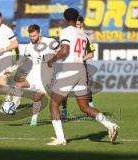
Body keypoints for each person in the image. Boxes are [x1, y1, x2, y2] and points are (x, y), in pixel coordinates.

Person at [46, 8, 119, 146]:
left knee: (54, 103)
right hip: (81, 70)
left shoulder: (66, 31)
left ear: (65, 19)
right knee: (85, 107)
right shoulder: (83, 34)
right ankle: (110, 125)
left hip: (70, 69)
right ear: (76, 18)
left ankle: (61, 139)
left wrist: (53, 59)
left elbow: (65, 50)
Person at [6, 24, 58, 126]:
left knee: (37, 97)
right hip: (34, 73)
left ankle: (34, 119)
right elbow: (24, 60)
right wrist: (11, 68)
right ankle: (13, 106)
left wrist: (52, 58)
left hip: (46, 75)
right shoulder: (29, 47)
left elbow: (60, 51)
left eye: (34, 36)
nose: (32, 38)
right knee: (18, 85)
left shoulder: (50, 42)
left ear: (39, 33)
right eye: (30, 36)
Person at [61, 15, 95, 120]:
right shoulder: (69, 35)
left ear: (82, 25)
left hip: (81, 66)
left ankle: (91, 110)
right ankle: (64, 110)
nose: (77, 26)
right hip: (69, 66)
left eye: (79, 25)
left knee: (86, 89)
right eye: (76, 24)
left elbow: (92, 54)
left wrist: (82, 58)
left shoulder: (84, 36)